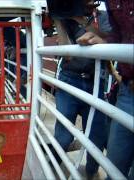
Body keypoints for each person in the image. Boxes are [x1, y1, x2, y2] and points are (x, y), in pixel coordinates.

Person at [46, 0, 112, 177]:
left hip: (95, 83)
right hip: (70, 80)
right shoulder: (65, 17)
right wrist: (59, 19)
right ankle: (51, 168)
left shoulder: (104, 17)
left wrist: (82, 20)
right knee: (64, 136)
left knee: (97, 137)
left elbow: (108, 40)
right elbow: (64, 53)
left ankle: (91, 173)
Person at [77, 0, 134, 179]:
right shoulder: (111, 3)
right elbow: (117, 36)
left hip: (117, 84)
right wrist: (104, 42)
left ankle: (92, 170)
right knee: (113, 165)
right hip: (128, 88)